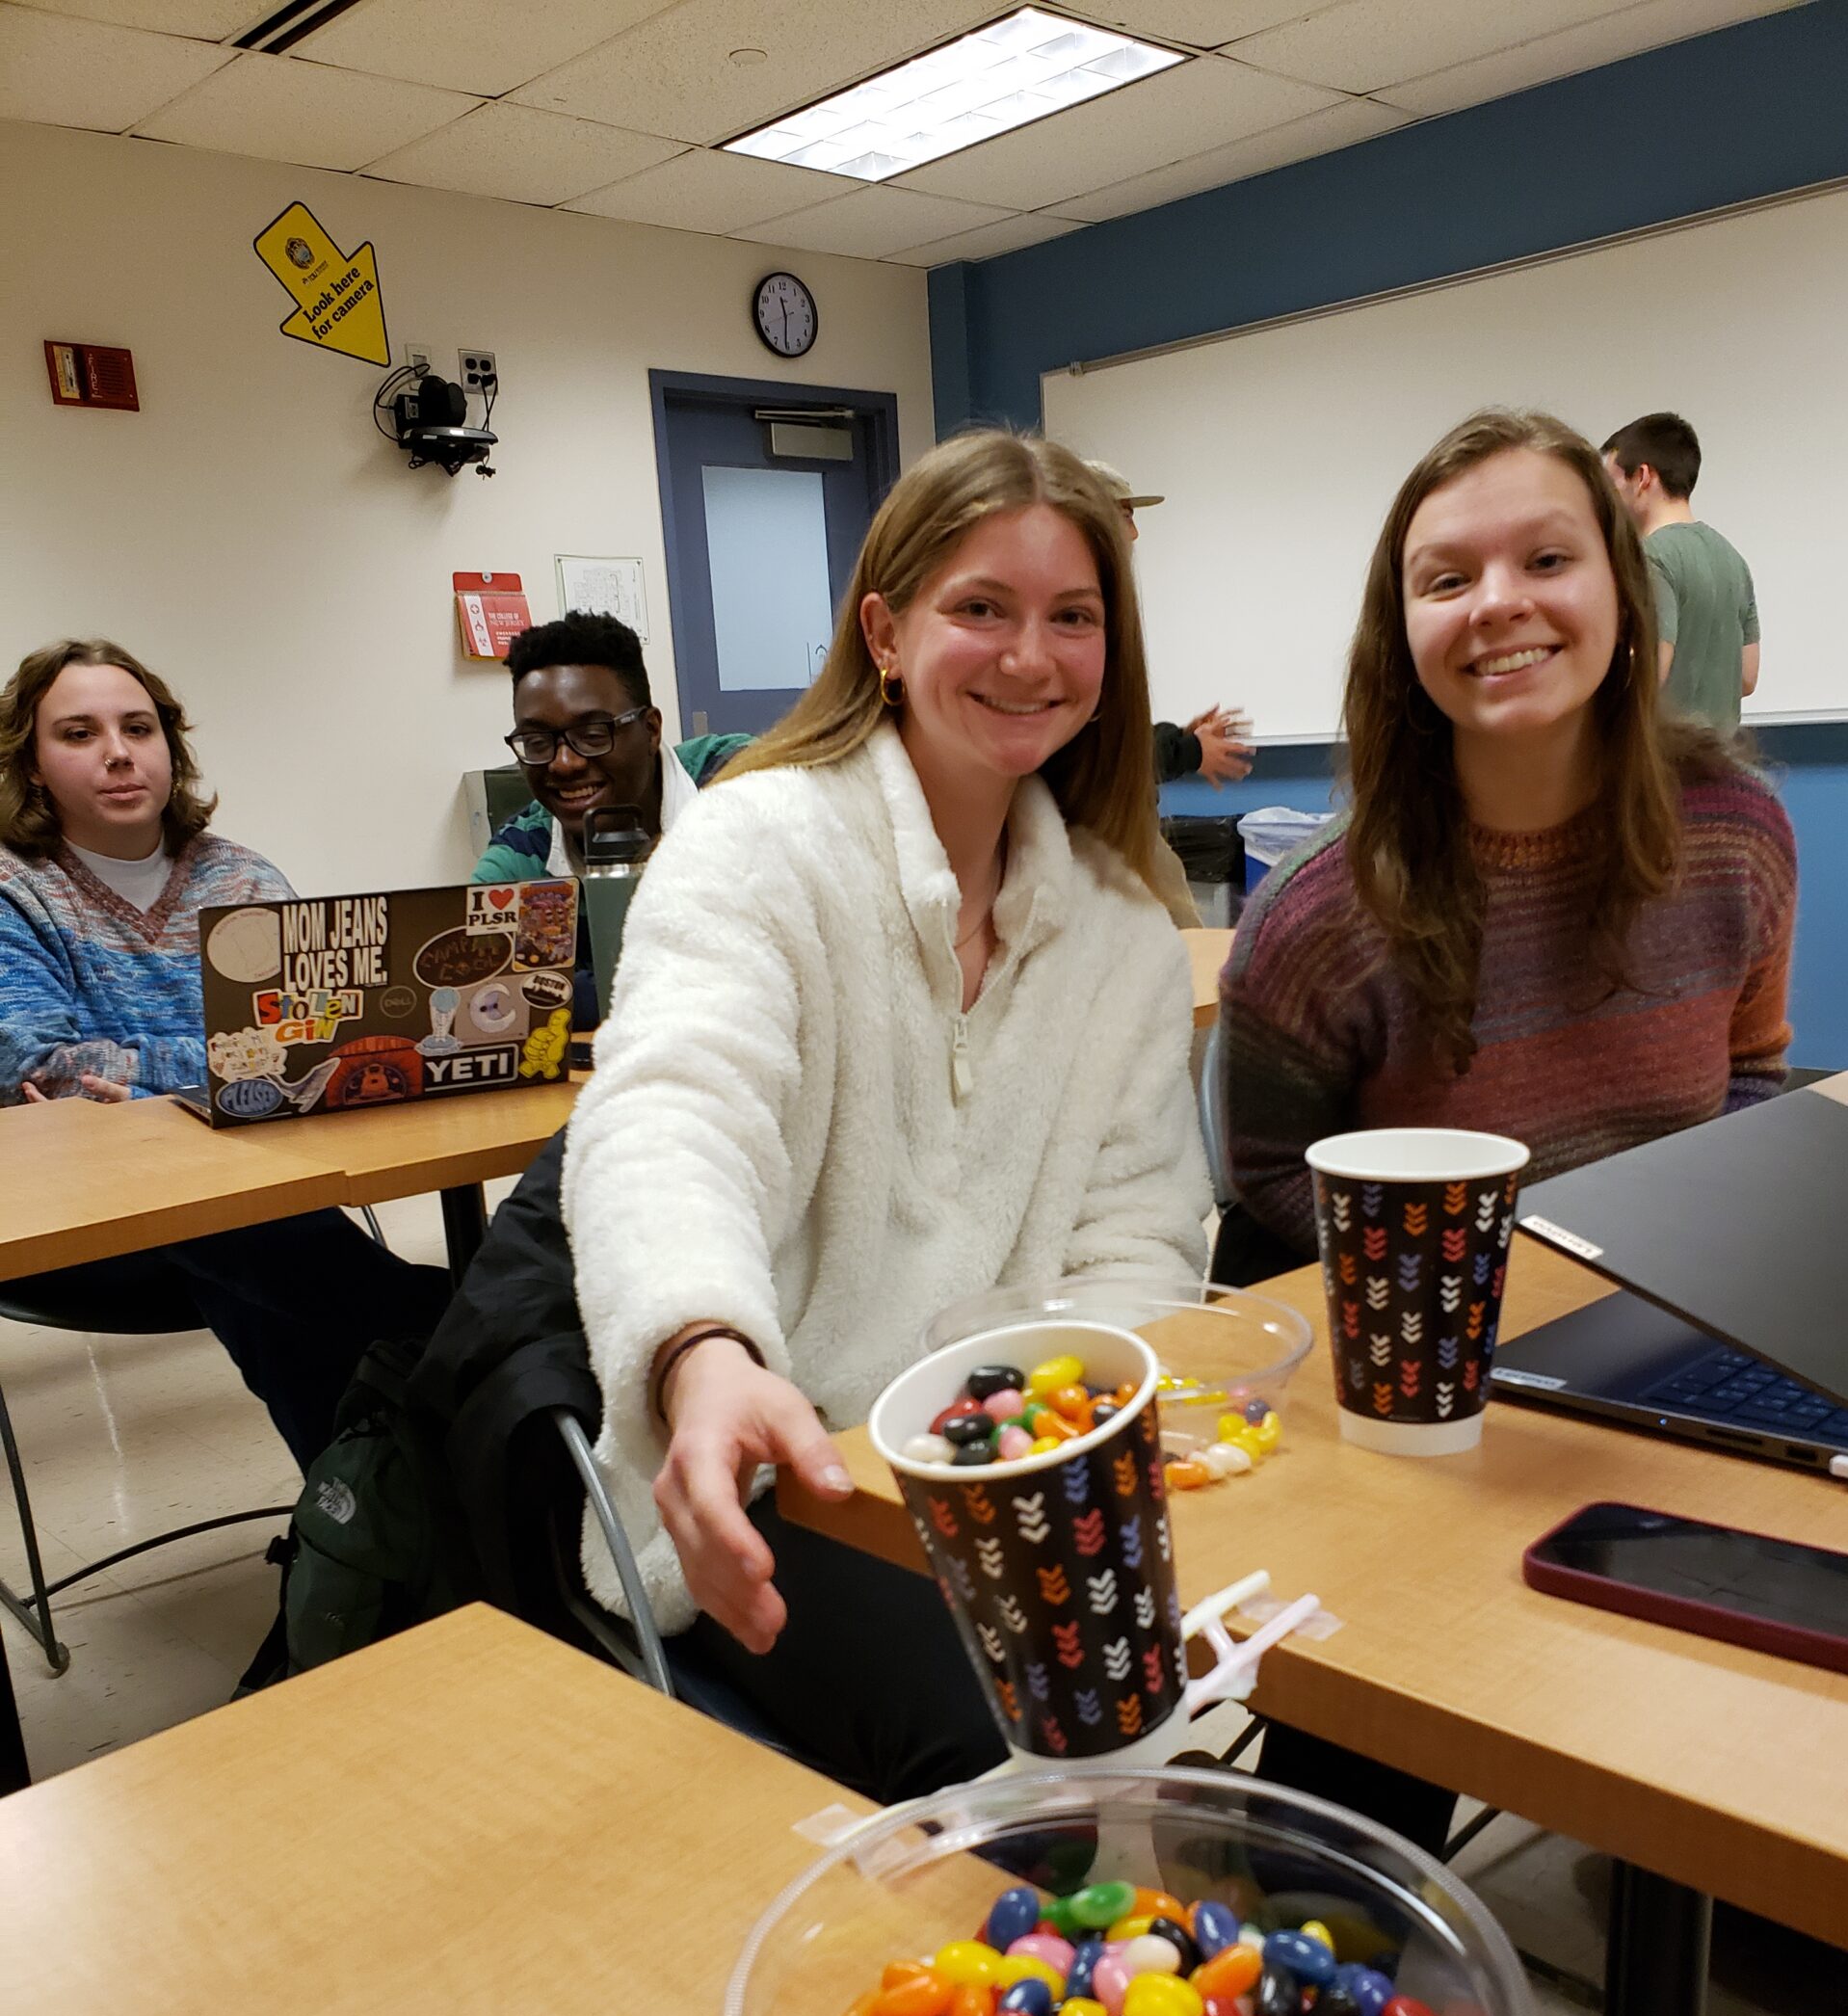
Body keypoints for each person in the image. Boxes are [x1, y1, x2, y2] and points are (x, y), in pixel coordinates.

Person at [562, 431, 1210, 1802]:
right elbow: (672, 1111)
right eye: (982, 608)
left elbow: (1140, 1243)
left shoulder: (1126, 935)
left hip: (1015, 1476)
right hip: (785, 1474)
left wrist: (1042, 1459)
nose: (1030, 657)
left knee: (1205, 1680)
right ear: (887, 630)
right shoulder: (757, 847)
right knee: (1017, 1740)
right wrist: (701, 1351)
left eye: (1073, 617)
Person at [1217, 408, 1795, 1851]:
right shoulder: (1320, 918)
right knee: (1320, 1883)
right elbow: (1262, 1184)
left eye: (1548, 557)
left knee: (1779, 1776)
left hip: (1667, 1351)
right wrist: (1470, 1290)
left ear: (1620, 587)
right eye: (1447, 578)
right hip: (1429, 1409)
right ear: (1400, 627)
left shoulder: (1736, 830)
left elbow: (1752, 1078)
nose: (1503, 607)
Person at [0, 639, 447, 1471]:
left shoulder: (239, 878)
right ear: (30, 765)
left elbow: (317, 1041)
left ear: (171, 747)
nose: (118, 752)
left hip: (259, 1205)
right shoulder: (12, 890)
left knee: (260, 1278)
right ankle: (440, 1318)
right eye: (78, 734)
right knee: (252, 1245)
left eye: (139, 727)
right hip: (81, 1227)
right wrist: (237, 1065)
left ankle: (361, 1530)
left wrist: (138, 1080)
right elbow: (43, 1065)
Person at [474, 612, 749, 1027]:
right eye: (536, 742)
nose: (564, 764)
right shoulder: (521, 856)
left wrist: (575, 989)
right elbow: (487, 992)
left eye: (594, 734)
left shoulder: (739, 780)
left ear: (651, 729)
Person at [1087, 461, 1256, 789]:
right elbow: (1091, 752)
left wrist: (1178, 738)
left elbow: (1111, 729)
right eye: (1125, 517)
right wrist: (1189, 751)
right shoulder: (1081, 614)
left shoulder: (1106, 603)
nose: (1134, 534)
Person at [1601, 413, 1759, 733]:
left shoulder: (1649, 558)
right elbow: (1747, 677)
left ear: (1642, 477)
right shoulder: (1734, 561)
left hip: (1668, 766)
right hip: (1724, 767)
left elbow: (1651, 672)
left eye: (1611, 485)